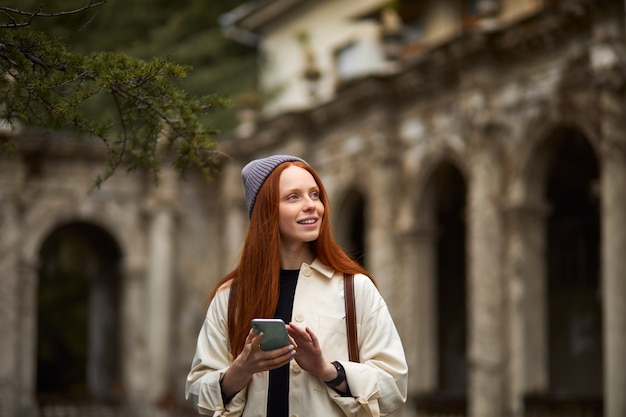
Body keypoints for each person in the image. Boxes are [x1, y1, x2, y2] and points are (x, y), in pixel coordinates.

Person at [185, 155, 408, 416]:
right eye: (293, 197)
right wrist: (242, 368)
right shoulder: (231, 296)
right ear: (266, 211)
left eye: (315, 195)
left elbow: (394, 384)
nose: (311, 205)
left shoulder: (355, 288)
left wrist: (328, 370)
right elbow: (197, 391)